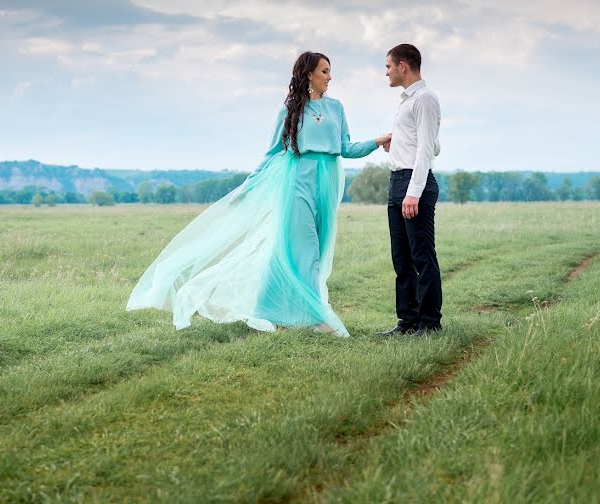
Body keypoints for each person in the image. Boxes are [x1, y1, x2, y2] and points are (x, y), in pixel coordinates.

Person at [128, 51, 391, 337]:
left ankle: (274, 313)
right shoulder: (289, 110)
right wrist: (248, 187)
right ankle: (317, 318)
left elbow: (346, 148)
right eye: (325, 71)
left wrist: (378, 141)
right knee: (306, 252)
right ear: (309, 75)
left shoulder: (336, 108)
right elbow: (272, 154)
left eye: (330, 71)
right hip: (297, 183)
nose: (330, 76)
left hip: (326, 183)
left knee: (311, 250)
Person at [378, 44, 443, 337]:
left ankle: (429, 324)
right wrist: (398, 144)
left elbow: (428, 148)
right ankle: (407, 322)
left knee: (421, 256)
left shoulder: (425, 99)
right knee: (401, 259)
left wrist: (414, 192)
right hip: (397, 181)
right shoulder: (405, 100)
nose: (387, 72)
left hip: (414, 184)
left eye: (389, 66)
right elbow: (431, 143)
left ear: (403, 65)